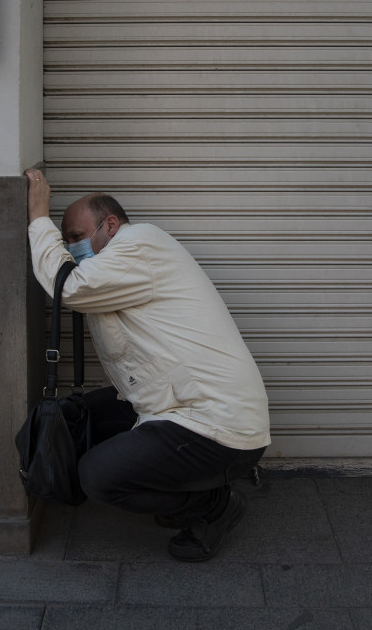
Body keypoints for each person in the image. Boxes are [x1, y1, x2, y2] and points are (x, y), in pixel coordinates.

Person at [25, 168, 271, 562]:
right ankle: (182, 483)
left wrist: (38, 219)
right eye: (66, 238)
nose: (71, 246)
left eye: (76, 236)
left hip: (218, 425)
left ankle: (211, 505)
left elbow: (69, 287)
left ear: (111, 224)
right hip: (172, 404)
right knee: (81, 419)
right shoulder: (116, 264)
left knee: (97, 476)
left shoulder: (140, 243)